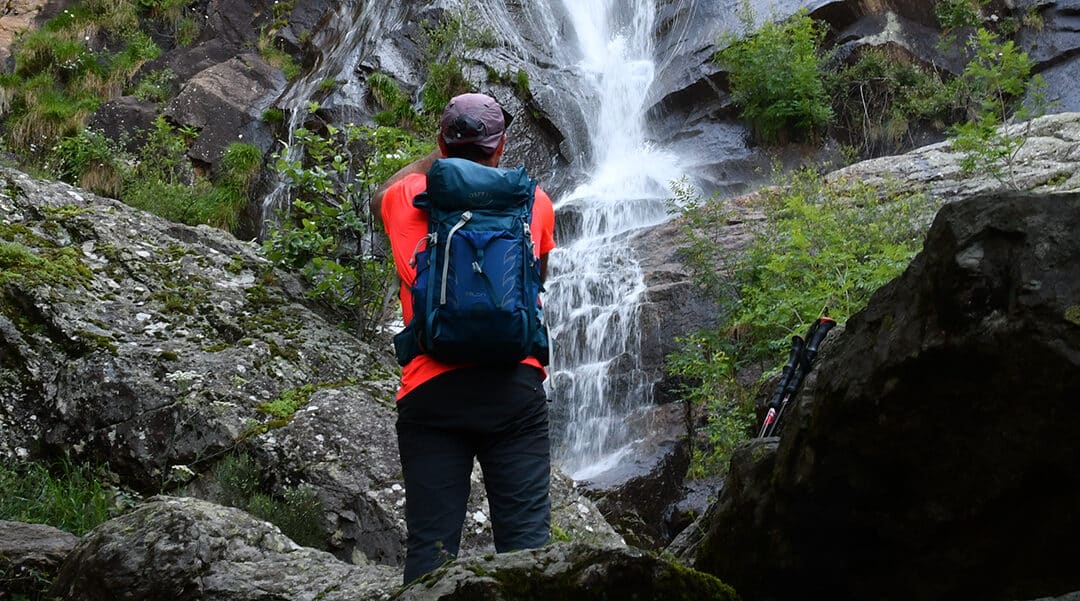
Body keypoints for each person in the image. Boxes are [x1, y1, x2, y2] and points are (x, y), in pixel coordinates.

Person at [370, 92, 556, 583]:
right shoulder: (533, 202)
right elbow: (534, 282)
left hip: (431, 393)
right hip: (514, 389)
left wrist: (447, 157)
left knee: (430, 556)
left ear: (440, 143)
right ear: (502, 147)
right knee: (529, 559)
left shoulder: (405, 196)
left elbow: (377, 194)